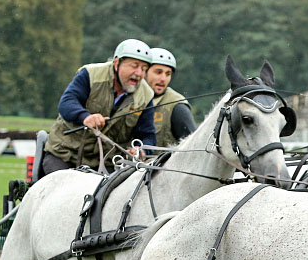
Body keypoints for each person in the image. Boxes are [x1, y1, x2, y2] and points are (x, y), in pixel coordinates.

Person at [41, 39, 157, 175]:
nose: (138, 73)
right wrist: (85, 117)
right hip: (64, 154)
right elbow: (67, 102)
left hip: (107, 162)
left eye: (144, 69)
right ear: (116, 63)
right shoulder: (90, 74)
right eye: (134, 66)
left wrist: (141, 150)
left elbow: (148, 135)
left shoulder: (146, 95)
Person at [145, 47, 196, 148]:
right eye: (158, 72)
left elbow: (194, 148)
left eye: (168, 74)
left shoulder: (178, 107)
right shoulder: (129, 97)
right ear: (144, 71)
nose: (163, 79)